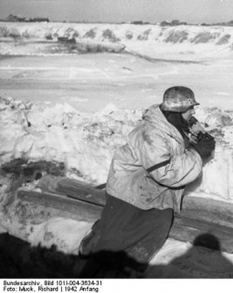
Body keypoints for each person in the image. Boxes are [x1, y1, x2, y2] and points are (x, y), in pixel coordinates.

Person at [79, 86, 215, 277]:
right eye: (190, 108)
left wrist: (203, 141)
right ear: (177, 112)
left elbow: (194, 136)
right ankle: (90, 267)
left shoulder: (181, 123)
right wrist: (197, 153)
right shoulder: (150, 133)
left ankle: (125, 269)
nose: (193, 112)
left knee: (157, 227)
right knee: (112, 242)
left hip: (153, 189)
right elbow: (165, 173)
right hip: (129, 188)